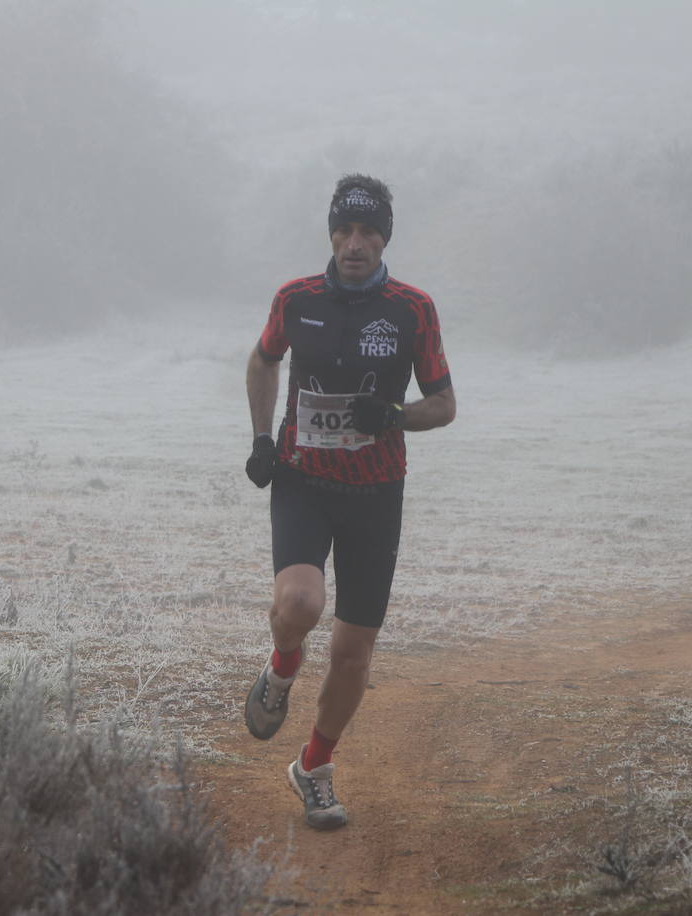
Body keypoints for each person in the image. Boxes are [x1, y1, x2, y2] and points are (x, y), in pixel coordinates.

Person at [242, 174, 456, 830]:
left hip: (376, 493)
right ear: (331, 234)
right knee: (301, 605)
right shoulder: (295, 299)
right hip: (303, 482)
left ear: (384, 238)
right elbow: (261, 362)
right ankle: (281, 668)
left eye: (368, 232)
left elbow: (444, 405)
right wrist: (259, 440)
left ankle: (313, 767)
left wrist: (391, 415)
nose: (354, 243)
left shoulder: (412, 309)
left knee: (353, 656)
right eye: (344, 230)